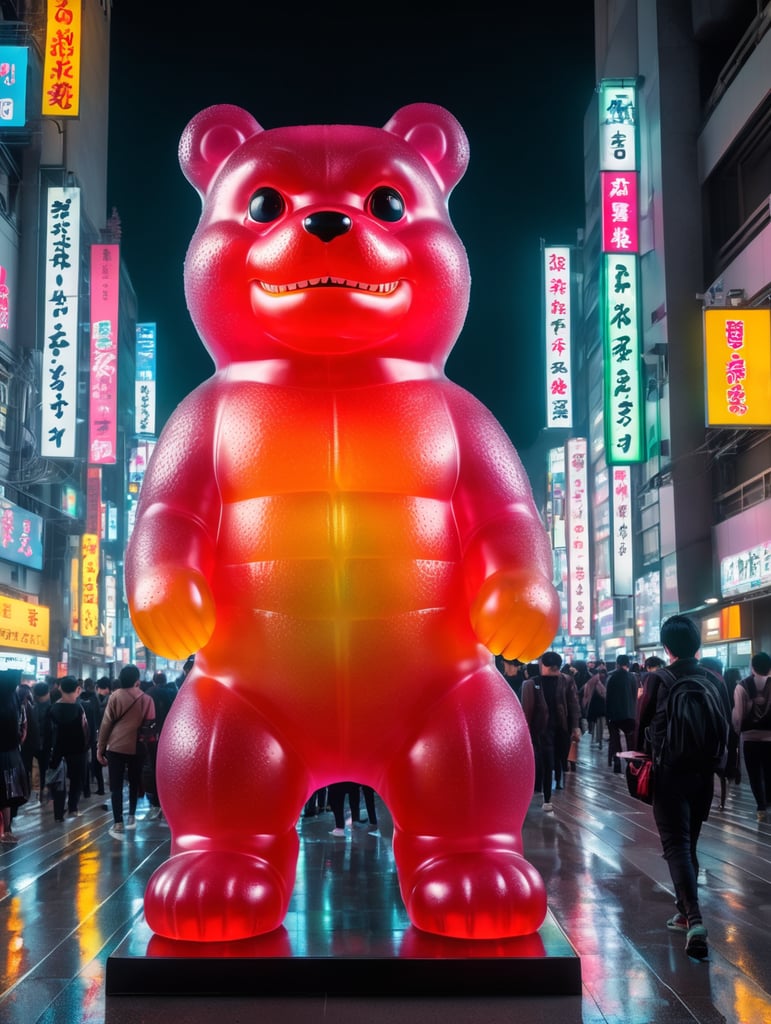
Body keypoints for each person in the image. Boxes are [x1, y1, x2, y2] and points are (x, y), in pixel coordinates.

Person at [635, 614, 732, 960]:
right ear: (698, 644)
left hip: (669, 773)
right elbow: (727, 727)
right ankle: (684, 910)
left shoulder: (659, 678)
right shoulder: (714, 680)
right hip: (704, 774)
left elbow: (641, 722)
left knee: (675, 845)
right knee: (689, 841)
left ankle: (694, 919)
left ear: (666, 647)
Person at [97, 665, 155, 839]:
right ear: (137, 680)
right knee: (134, 782)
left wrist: (100, 748)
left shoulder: (115, 696)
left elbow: (106, 724)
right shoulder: (147, 699)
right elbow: (151, 726)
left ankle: (118, 823)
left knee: (116, 786)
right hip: (138, 747)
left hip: (116, 746)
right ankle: (131, 817)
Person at [521, 651, 581, 811]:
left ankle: (555, 784)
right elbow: (527, 710)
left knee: (559, 758)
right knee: (547, 761)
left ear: (543, 665)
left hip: (560, 728)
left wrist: (575, 726)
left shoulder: (566, 681)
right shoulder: (533, 683)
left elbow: (573, 704)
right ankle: (547, 797)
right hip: (543, 730)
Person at [732, 652, 771, 823]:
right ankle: (769, 800)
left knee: (754, 774)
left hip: (749, 739)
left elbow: (739, 716)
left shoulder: (742, 686)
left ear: (752, 667)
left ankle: (761, 808)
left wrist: (737, 731)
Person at [45, 676, 90, 822]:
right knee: (77, 780)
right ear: (77, 689)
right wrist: (86, 747)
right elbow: (85, 732)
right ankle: (73, 808)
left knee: (58, 781)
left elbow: (47, 733)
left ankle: (58, 814)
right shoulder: (79, 709)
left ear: (60, 689)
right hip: (78, 751)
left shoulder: (51, 709)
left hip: (57, 752)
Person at [142, 670, 178, 820]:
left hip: (152, 737)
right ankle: (170, 799)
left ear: (154, 680)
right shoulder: (172, 693)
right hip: (170, 736)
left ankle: (156, 800)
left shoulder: (148, 693)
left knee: (153, 765)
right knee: (169, 768)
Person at [0, 670, 29, 843]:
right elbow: (21, 730)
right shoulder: (13, 700)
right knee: (7, 794)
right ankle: (7, 831)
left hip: (7, 753)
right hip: (10, 755)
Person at [605, 654, 638, 773]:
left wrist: (607, 715)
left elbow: (607, 697)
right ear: (628, 664)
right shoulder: (633, 678)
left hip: (614, 715)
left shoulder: (611, 677)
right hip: (629, 713)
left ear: (617, 664)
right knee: (630, 740)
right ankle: (631, 763)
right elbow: (635, 696)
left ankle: (617, 763)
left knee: (615, 740)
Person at [31, 682, 53, 807]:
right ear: (47, 694)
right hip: (46, 745)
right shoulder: (51, 709)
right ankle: (44, 793)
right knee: (46, 770)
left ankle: (38, 793)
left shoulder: (31, 708)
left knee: (36, 769)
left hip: (34, 746)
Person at [582, 662, 608, 749]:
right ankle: (597, 740)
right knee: (598, 725)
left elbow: (585, 692)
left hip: (597, 707)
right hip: (598, 707)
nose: (602, 674)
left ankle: (597, 740)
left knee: (598, 725)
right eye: (601, 672)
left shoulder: (594, 681)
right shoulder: (599, 681)